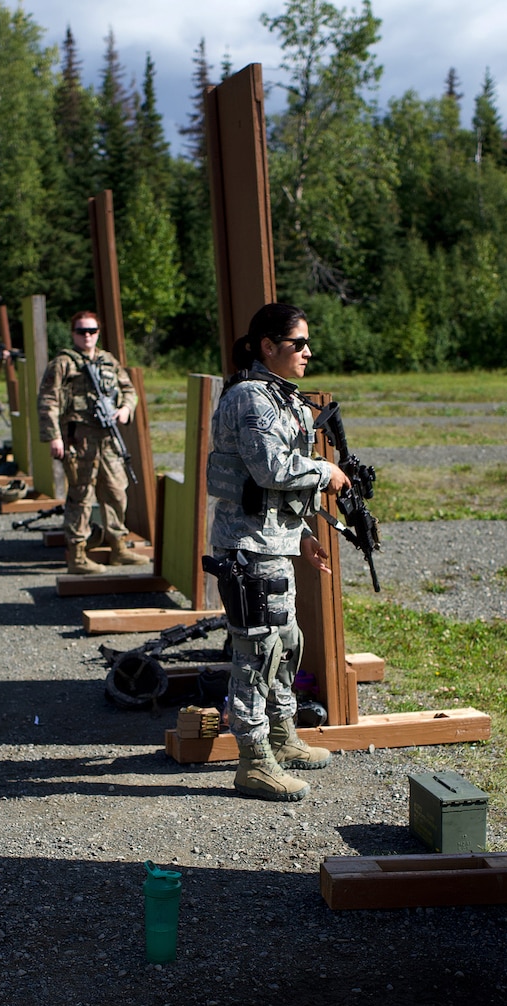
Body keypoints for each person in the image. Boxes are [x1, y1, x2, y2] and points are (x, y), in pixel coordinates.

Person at [205, 303, 352, 802]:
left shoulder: (279, 395)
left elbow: (273, 487)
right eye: (298, 344)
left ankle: (283, 736)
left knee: (287, 641)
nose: (307, 352)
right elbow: (270, 469)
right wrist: (324, 473)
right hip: (247, 545)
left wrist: (304, 532)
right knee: (257, 649)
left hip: (272, 540)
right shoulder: (251, 397)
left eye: (308, 343)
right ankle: (253, 758)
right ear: (268, 346)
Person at [38, 312, 147, 574]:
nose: (87, 335)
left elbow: (129, 391)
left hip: (108, 439)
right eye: (81, 331)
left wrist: (124, 410)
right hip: (79, 439)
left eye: (92, 330)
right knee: (81, 495)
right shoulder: (62, 363)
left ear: (98, 332)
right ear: (72, 333)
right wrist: (53, 436)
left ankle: (118, 546)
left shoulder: (108, 360)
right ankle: (76, 554)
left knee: (116, 491)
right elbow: (48, 401)